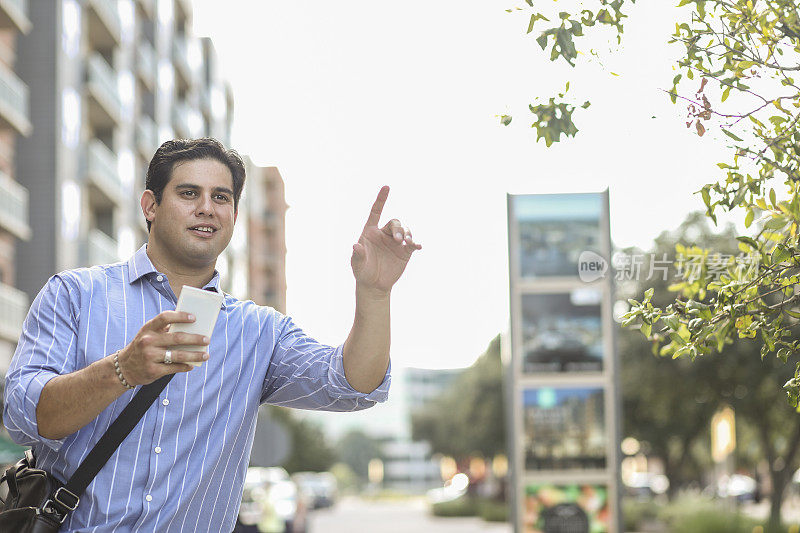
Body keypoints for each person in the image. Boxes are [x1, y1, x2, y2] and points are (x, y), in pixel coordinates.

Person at [3, 138, 421, 532]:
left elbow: (352, 385)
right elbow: (22, 416)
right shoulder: (73, 295)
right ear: (150, 205)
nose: (207, 208)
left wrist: (374, 293)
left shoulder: (259, 331)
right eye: (188, 194)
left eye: (221, 197)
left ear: (234, 217)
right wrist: (122, 369)